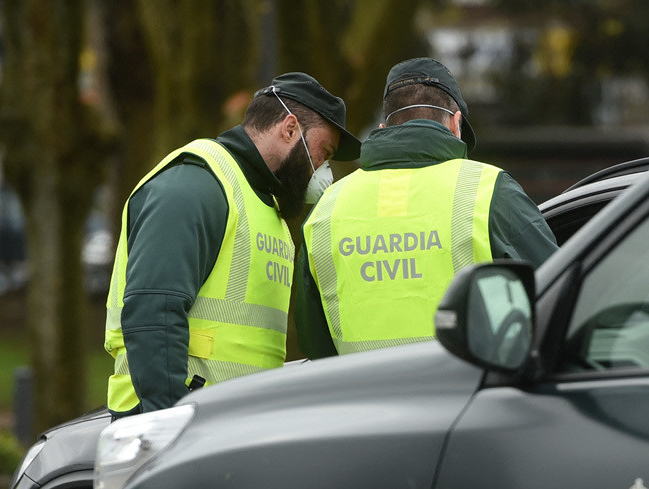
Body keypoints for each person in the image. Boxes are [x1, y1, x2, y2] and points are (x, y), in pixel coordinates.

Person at [105, 72, 360, 418]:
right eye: (323, 152)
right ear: (289, 129)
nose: (324, 169)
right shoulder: (196, 185)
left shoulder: (266, 208)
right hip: (174, 423)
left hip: (226, 425)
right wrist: (167, 425)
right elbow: (154, 313)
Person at [294, 57, 557, 359]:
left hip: (364, 401)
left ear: (383, 128)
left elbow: (315, 346)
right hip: (466, 401)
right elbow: (560, 296)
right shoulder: (490, 191)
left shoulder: (327, 210)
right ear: (456, 123)